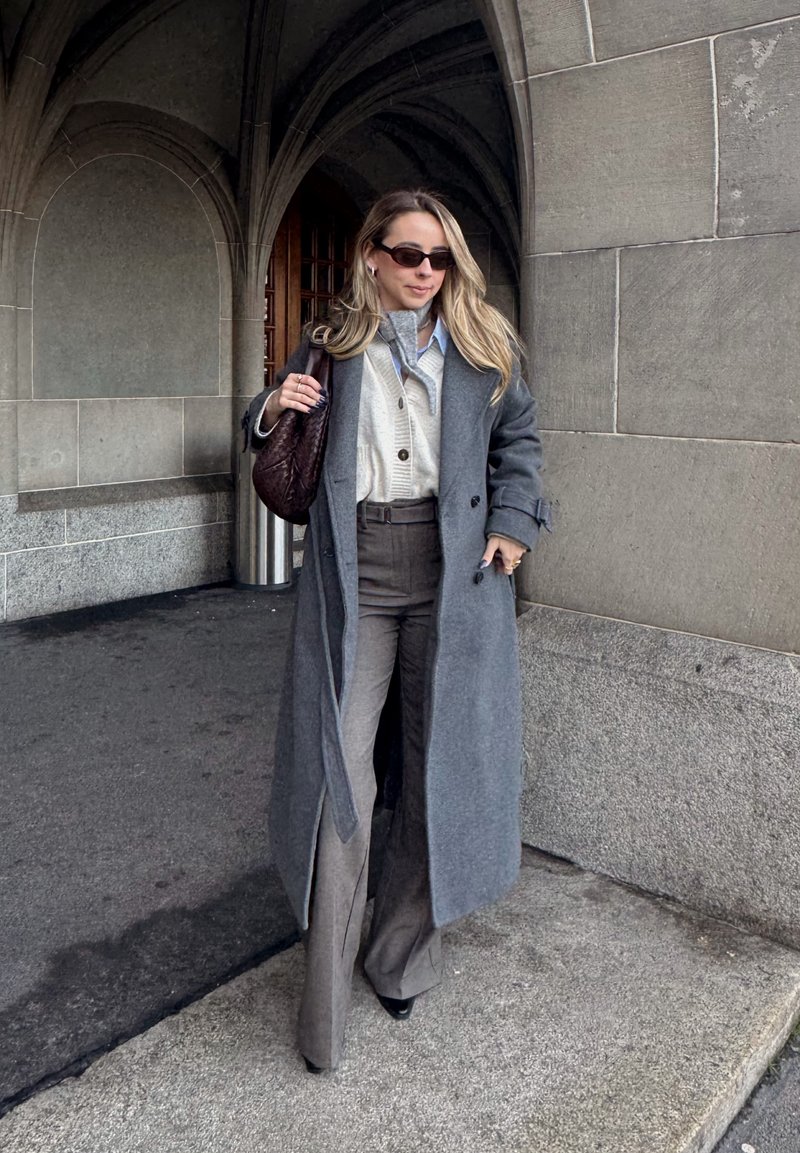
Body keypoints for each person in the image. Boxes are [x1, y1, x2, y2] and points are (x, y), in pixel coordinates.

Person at [247, 189, 551, 1073]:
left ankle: (401, 955)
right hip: (356, 567)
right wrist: (273, 406)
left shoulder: (484, 344)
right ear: (371, 255)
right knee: (340, 770)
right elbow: (270, 434)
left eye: (439, 258)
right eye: (408, 254)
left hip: (458, 572)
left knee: (434, 762)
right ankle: (326, 997)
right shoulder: (332, 342)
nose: (424, 272)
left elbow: (520, 441)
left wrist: (514, 519)